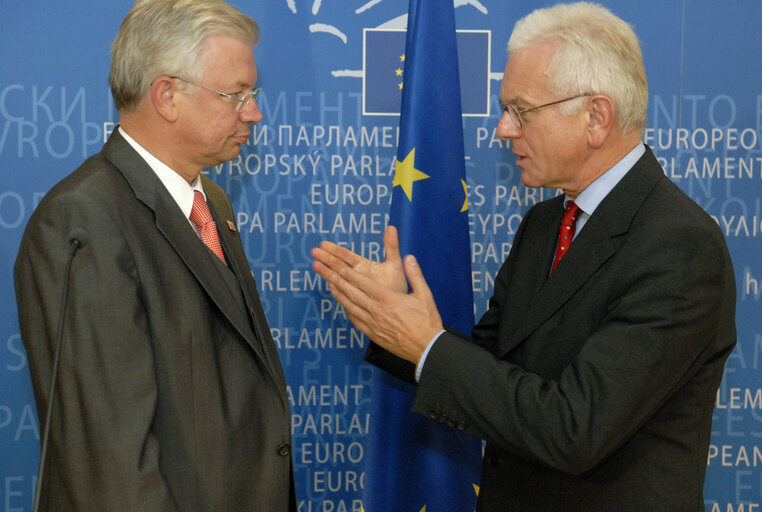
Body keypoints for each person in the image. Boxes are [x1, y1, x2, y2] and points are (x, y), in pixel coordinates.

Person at [311, 2, 736, 510]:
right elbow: (490, 363)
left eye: (520, 110)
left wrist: (426, 345)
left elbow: (575, 427)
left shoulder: (679, 245)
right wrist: (393, 318)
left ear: (596, 118)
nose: (502, 129)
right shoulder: (544, 224)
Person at [14, 1, 295, 510]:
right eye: (237, 95)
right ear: (167, 95)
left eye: (251, 94)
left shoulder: (211, 200)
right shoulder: (84, 219)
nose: (254, 111)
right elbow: (110, 462)